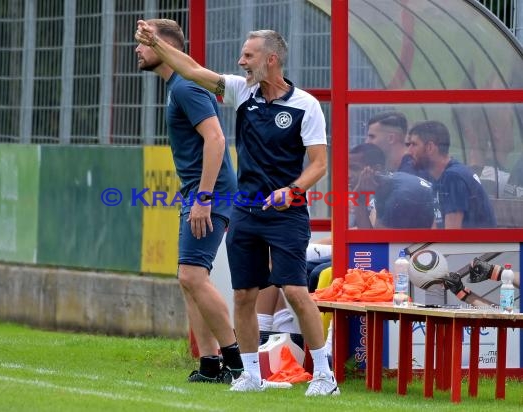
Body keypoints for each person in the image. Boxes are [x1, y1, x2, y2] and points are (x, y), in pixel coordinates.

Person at [135, 22, 339, 396]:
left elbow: (319, 164)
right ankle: (250, 376)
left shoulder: (305, 105)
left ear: (271, 59)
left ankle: (325, 376)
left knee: (295, 291)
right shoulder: (241, 91)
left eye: (248, 55)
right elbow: (193, 70)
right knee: (244, 295)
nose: (240, 61)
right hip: (246, 210)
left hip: (287, 214)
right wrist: (157, 46)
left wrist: (291, 190)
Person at [135, 19, 243, 384]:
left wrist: (204, 197)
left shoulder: (186, 87)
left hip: (210, 194)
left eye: (144, 44)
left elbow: (215, 139)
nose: (137, 50)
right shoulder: (177, 85)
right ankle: (211, 365)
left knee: (192, 275)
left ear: (164, 46)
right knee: (189, 279)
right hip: (199, 192)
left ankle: (238, 364)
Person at [406, 120, 497, 229]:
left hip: (474, 246)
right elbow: (437, 228)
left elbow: (451, 236)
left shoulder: (453, 177)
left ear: (430, 147)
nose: (409, 151)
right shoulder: (440, 177)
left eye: (414, 144)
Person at [349, 143, 434, 229]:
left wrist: (359, 200)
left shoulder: (401, 195)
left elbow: (372, 241)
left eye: (355, 168)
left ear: (377, 169)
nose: (348, 175)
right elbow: (377, 232)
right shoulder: (386, 186)